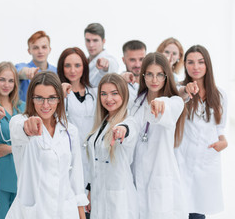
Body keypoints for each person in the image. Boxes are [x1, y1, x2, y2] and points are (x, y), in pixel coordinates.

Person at [6, 71, 88, 219]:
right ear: (31, 98)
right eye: (39, 98)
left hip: (65, 212)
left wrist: (82, 215)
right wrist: (28, 126)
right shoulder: (19, 121)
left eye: (51, 98)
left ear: (59, 99)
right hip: (32, 212)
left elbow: (76, 180)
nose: (45, 105)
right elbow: (19, 129)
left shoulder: (70, 131)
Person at [128, 52, 187, 219]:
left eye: (159, 75)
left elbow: (167, 108)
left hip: (161, 178)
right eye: (150, 74)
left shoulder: (174, 102)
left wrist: (161, 103)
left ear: (166, 76)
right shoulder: (136, 103)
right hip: (136, 177)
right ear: (143, 76)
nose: (154, 80)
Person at [175, 45, 228, 219]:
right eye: (190, 62)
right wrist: (186, 91)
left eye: (200, 62)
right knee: (179, 208)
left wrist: (223, 141)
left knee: (198, 211)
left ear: (208, 65)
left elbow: (219, 125)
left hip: (206, 159)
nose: (195, 67)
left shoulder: (220, 95)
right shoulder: (179, 90)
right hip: (181, 159)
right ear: (185, 65)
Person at [85, 73, 139, 219]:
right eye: (104, 94)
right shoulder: (101, 122)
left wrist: (122, 130)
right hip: (98, 196)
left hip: (120, 201)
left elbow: (128, 130)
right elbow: (95, 163)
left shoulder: (129, 121)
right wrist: (90, 191)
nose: (108, 99)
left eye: (114, 93)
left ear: (124, 94)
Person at [0, 62, 26, 219]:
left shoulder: (22, 108)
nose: (6, 85)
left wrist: (10, 149)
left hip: (20, 177)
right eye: (2, 79)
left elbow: (33, 141)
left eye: (11, 80)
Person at [56, 47, 96, 187]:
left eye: (77, 65)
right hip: (68, 154)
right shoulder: (56, 93)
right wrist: (59, 93)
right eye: (68, 65)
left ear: (84, 67)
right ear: (61, 67)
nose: (72, 70)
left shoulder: (94, 93)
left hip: (92, 154)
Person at [15, 31, 57, 101]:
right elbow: (20, 72)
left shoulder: (56, 71)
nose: (40, 51)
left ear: (49, 49)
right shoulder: (21, 66)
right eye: (35, 48)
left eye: (44, 47)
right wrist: (28, 72)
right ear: (29, 51)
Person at [120, 40, 147, 107]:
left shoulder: (153, 82)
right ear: (123, 60)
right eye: (132, 60)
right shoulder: (118, 84)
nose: (137, 65)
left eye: (141, 59)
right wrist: (119, 79)